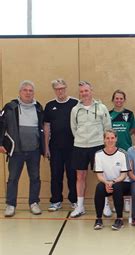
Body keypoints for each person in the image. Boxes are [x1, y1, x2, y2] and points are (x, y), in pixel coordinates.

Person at [0, 80, 45, 217]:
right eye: (25, 90)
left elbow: (42, 127)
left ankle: (34, 203)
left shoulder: (38, 107)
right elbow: (1, 125)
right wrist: (0, 143)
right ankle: (11, 205)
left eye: (30, 90)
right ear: (20, 92)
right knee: (13, 178)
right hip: (16, 150)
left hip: (34, 150)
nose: (28, 93)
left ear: (33, 93)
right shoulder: (10, 106)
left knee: (35, 177)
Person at [70, 81, 111, 218]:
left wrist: (105, 144)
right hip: (80, 146)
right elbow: (74, 128)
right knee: (80, 176)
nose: (84, 94)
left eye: (86, 91)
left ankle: (106, 205)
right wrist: (81, 140)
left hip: (98, 145)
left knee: (102, 176)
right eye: (81, 92)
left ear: (91, 91)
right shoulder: (75, 110)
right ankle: (80, 206)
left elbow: (107, 127)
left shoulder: (101, 108)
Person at [43, 79, 78, 212]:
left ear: (66, 88)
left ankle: (74, 200)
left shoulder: (75, 103)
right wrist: (46, 147)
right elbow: (46, 127)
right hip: (55, 147)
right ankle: (56, 200)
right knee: (56, 175)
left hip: (72, 147)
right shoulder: (50, 105)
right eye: (57, 89)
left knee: (72, 175)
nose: (60, 91)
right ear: (54, 90)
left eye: (62, 88)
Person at [93, 129, 131, 230]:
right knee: (99, 188)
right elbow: (99, 175)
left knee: (117, 187)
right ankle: (98, 219)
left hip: (123, 183)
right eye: (107, 138)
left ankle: (119, 219)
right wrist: (106, 183)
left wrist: (112, 182)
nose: (110, 140)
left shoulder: (123, 153)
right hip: (106, 183)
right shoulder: (98, 154)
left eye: (112, 138)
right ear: (104, 140)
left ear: (116, 139)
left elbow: (124, 174)